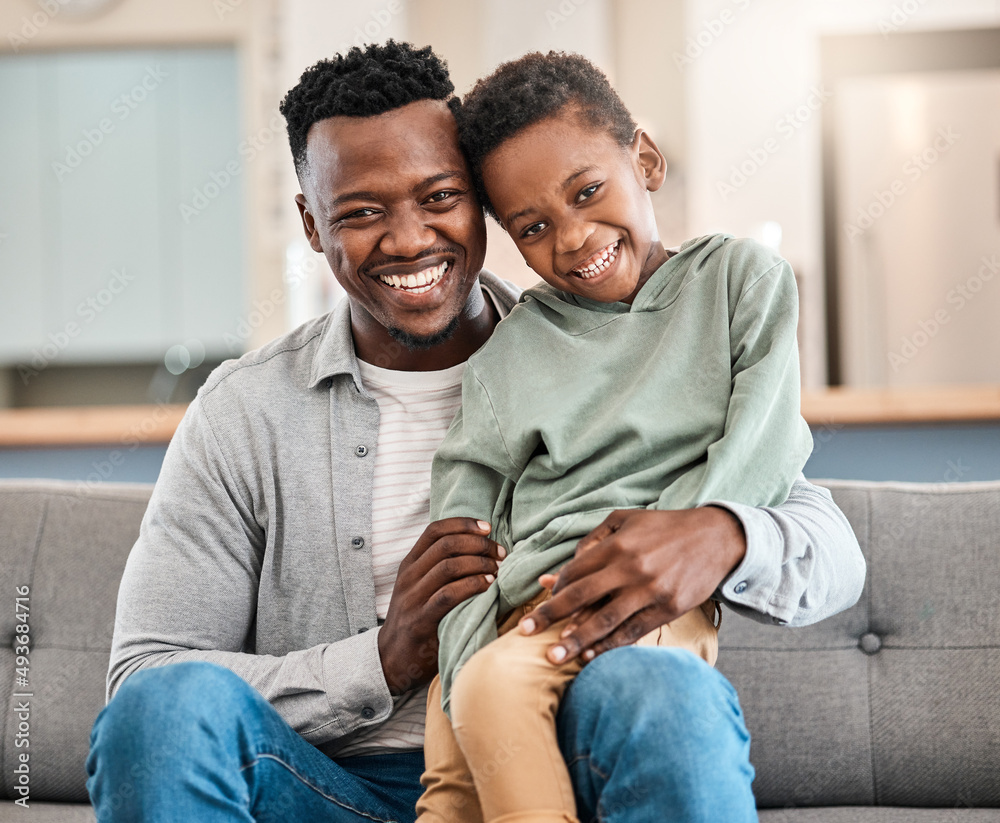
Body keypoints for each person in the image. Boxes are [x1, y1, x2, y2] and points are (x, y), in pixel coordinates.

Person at [85, 41, 865, 823]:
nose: (409, 239)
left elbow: (830, 550)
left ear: (482, 201)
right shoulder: (243, 413)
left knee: (664, 686)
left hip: (558, 764)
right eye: (360, 212)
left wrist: (721, 532)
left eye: (440, 197)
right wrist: (382, 661)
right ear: (312, 225)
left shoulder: (616, 347)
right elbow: (148, 677)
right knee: (164, 711)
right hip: (327, 789)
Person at [415, 51, 815, 823]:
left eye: (588, 192)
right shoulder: (509, 354)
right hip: (517, 609)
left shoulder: (741, 282)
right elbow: (465, 503)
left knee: (495, 691)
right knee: (455, 765)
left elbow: (763, 443)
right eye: (533, 227)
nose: (572, 238)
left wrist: (676, 542)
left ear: (647, 161)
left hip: (647, 592)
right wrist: (460, 656)